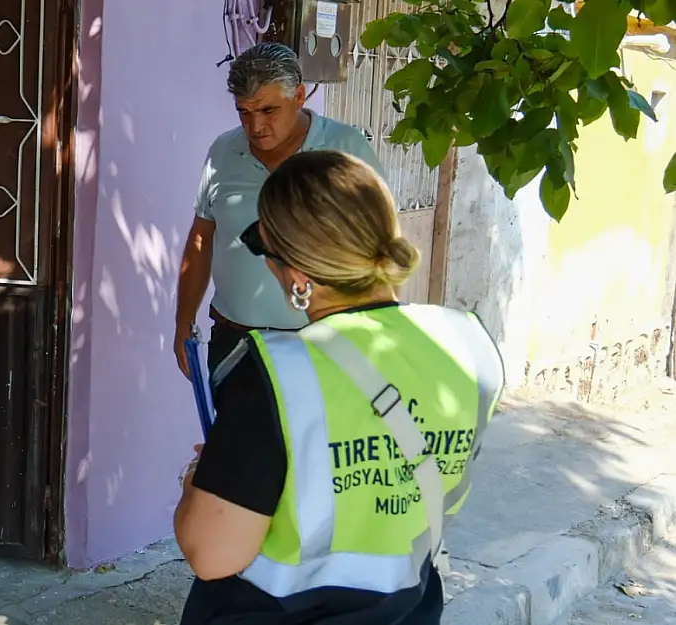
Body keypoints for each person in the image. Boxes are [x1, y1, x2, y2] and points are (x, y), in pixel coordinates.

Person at [172, 151, 505, 624]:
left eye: (265, 250)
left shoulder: (276, 374)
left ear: (299, 276)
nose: (268, 267)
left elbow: (211, 554)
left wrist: (195, 484)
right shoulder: (469, 346)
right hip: (407, 610)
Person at [173, 42, 387, 379]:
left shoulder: (346, 148)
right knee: (236, 434)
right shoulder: (223, 151)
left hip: (323, 343)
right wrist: (183, 322)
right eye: (244, 111)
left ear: (299, 97)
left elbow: (380, 245)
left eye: (268, 111)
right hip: (235, 342)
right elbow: (202, 240)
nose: (255, 126)